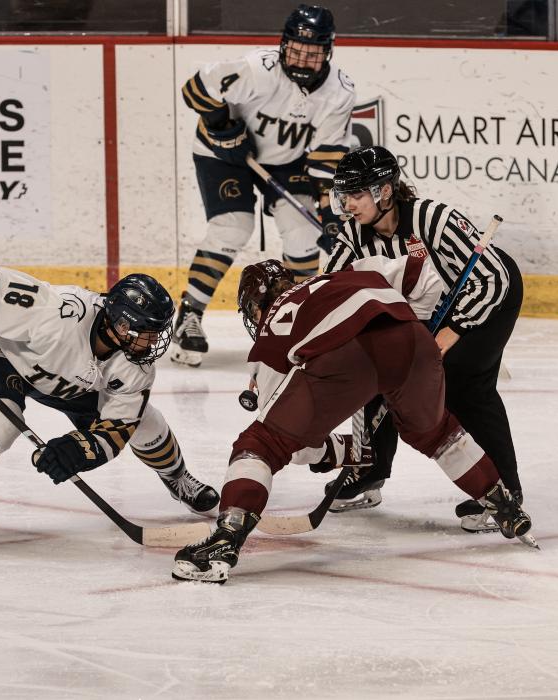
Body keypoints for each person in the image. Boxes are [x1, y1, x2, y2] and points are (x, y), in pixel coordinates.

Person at [171, 258, 534, 583]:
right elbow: (421, 275)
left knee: (260, 444)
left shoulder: (270, 335)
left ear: (253, 306)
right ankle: (501, 502)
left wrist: (341, 451)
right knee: (438, 433)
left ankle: (225, 540)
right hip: (414, 340)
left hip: (345, 357)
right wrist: (414, 328)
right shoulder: (344, 274)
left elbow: (291, 445)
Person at [0, 266, 219, 551]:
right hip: (2, 358)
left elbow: (117, 429)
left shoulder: (135, 367)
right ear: (121, 324)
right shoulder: (58, 313)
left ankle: (177, 477)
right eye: (146, 332)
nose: (153, 343)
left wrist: (77, 450)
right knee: (1, 425)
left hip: (68, 385)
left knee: (144, 420)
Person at [322, 146, 524, 533]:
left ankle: (505, 491)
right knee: (374, 365)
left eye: (356, 194)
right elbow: (329, 289)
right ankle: (368, 469)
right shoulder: (354, 233)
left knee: (465, 386)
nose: (347, 204)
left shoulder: (432, 219)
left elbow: (491, 278)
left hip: (487, 297)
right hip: (428, 307)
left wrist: (451, 333)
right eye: (343, 195)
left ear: (384, 192)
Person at [171, 4, 355, 367]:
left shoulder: (339, 91)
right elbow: (195, 89)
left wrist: (328, 212)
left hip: (287, 163)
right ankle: (189, 316)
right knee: (232, 227)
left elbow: (326, 158)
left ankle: (299, 320)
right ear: (284, 45)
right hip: (223, 154)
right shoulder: (257, 70)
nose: (302, 59)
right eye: (297, 50)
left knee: (303, 233)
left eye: (313, 52)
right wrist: (223, 126)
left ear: (328, 52)